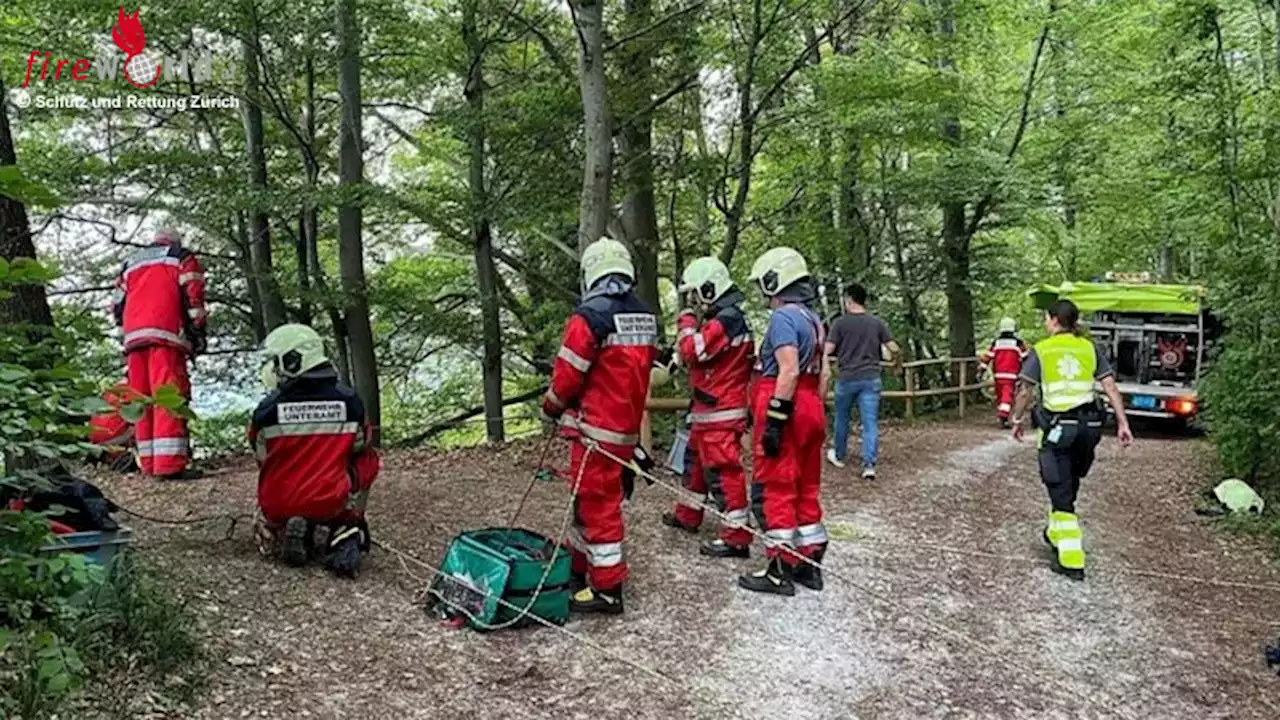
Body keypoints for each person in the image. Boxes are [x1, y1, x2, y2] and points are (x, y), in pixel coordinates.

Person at [541, 237, 657, 615]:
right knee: (585, 503)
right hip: (623, 431)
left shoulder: (590, 317)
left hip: (596, 432)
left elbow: (568, 375)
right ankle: (578, 567)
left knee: (597, 506)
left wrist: (551, 407)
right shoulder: (643, 315)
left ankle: (607, 589)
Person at [1010, 300, 1134, 581]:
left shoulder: (1042, 351)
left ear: (1054, 320)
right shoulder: (1090, 348)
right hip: (1089, 428)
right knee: (1069, 483)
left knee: (1060, 489)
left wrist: (1017, 419)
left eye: (1046, 318)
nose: (1045, 323)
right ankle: (1054, 531)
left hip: (1058, 428)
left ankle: (1071, 559)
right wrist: (1123, 423)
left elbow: (1025, 391)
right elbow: (1110, 387)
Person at [249, 324, 380, 578]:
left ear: (293, 360)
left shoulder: (267, 408)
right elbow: (361, 443)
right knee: (369, 460)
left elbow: (260, 452)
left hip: (276, 502)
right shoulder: (349, 400)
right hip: (329, 498)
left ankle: (289, 527)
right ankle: (346, 524)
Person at [739, 246, 829, 596]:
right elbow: (824, 376)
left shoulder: (783, 319)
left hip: (786, 406)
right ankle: (809, 562)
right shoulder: (815, 320)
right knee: (806, 486)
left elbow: (788, 370)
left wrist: (775, 420)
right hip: (811, 407)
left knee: (776, 487)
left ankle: (779, 570)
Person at [661, 256, 754, 558]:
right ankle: (689, 513)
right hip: (708, 408)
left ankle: (736, 535)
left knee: (724, 472)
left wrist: (686, 322)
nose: (694, 301)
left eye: (696, 294)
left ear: (710, 288)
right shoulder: (724, 318)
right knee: (695, 466)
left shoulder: (728, 319)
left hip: (721, 410)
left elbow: (693, 350)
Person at [111, 228, 207, 480]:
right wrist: (197, 332)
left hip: (133, 339)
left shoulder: (130, 262)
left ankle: (150, 463)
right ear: (176, 241)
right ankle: (170, 465)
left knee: (142, 401)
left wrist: (126, 332)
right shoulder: (182, 257)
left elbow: (117, 304)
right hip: (166, 336)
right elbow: (193, 298)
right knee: (168, 396)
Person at [823, 283, 900, 478]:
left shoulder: (840, 323)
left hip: (847, 378)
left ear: (849, 300)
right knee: (870, 422)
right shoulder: (877, 323)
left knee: (842, 418)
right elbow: (895, 348)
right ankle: (869, 465)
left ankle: (839, 454)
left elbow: (827, 350)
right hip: (871, 378)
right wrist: (898, 365)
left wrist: (826, 367)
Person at [980, 317, 1028, 428]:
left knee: (1000, 396)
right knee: (1007, 397)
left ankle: (1002, 416)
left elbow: (988, 357)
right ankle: (1003, 417)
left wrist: (981, 370)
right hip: (1011, 375)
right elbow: (1025, 358)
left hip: (998, 375)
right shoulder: (1018, 343)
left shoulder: (996, 343)